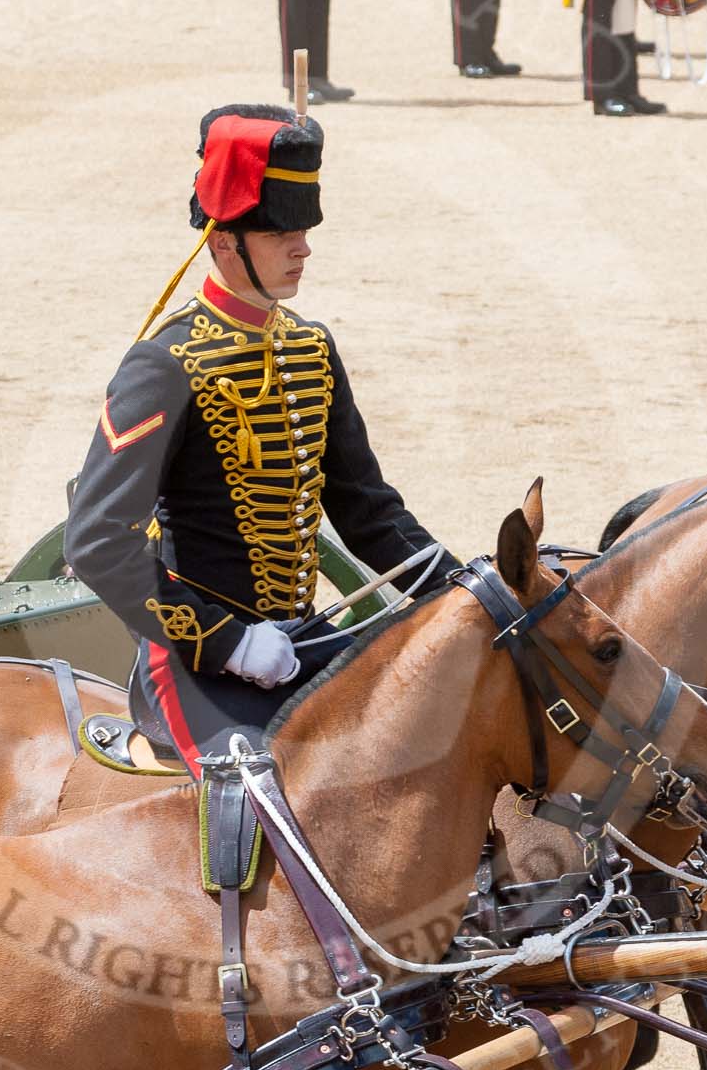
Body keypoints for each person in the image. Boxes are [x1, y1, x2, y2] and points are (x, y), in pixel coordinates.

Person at [66, 105, 453, 760]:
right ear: (224, 242)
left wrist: (463, 585)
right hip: (197, 669)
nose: (302, 246)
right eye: (281, 233)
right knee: (265, 804)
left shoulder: (311, 347)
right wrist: (228, 643)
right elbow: (99, 539)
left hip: (300, 644)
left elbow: (368, 512)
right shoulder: (165, 365)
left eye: (302, 228)